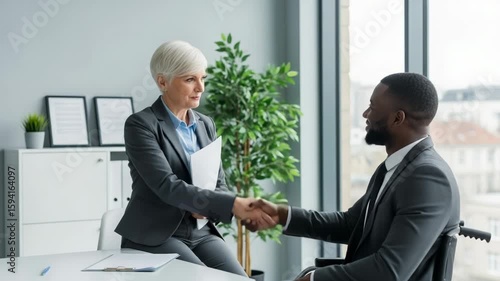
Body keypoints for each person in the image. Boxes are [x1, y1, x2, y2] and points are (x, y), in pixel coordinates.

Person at [246, 73, 461, 281]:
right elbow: (351, 224)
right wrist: (282, 215)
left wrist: (314, 278)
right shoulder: (395, 167)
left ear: (398, 118)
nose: (365, 114)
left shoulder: (427, 177)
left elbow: (390, 271)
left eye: (373, 107)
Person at [115, 40, 272, 276]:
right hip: (157, 234)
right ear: (162, 81)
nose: (201, 88)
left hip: (201, 232)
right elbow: (167, 185)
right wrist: (231, 204)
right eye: (190, 79)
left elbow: (218, 181)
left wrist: (212, 207)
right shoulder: (141, 125)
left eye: (203, 78)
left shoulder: (205, 123)